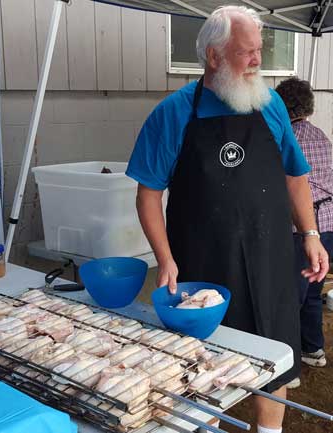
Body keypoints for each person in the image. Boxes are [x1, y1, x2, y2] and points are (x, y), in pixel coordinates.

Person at [126, 6, 329, 433]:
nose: (258, 62)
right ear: (214, 56)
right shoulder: (173, 113)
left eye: (259, 51)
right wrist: (164, 260)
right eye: (247, 52)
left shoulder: (270, 104)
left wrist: (310, 233)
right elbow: (148, 194)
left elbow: (296, 175)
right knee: (199, 363)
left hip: (270, 259)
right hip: (202, 266)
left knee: (274, 356)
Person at [276, 77, 333, 388]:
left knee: (289, 297)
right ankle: (313, 349)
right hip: (329, 229)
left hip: (303, 231)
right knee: (312, 292)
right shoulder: (321, 135)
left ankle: (290, 368)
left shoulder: (283, 138)